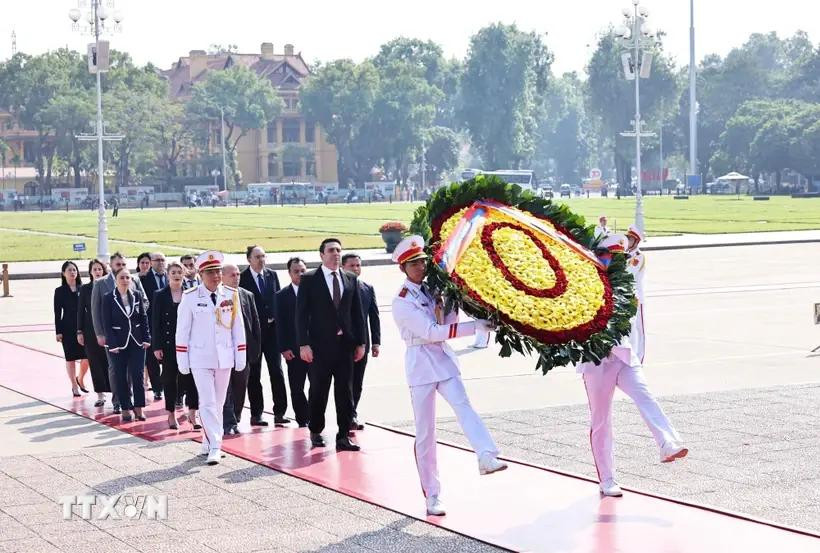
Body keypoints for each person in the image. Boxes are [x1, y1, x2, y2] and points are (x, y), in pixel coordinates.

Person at [391, 235, 507, 516]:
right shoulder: (402, 301)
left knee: (464, 406)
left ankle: (485, 455)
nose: (420, 267)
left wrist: (452, 301)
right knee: (426, 433)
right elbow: (431, 332)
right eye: (413, 264)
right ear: (403, 268)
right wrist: (476, 326)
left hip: (442, 360)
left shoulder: (432, 291)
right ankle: (432, 494)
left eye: (422, 262)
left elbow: (447, 325)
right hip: (420, 363)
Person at [577, 233, 687, 498]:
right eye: (608, 256)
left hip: (624, 355)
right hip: (596, 362)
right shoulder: (584, 282)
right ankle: (607, 479)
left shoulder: (626, 283)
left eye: (617, 257)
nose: (614, 261)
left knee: (644, 395)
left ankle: (667, 443)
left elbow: (636, 317)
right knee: (601, 421)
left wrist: (637, 353)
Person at [175, 251, 246, 465]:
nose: (215, 276)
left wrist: (239, 354)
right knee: (206, 402)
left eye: (217, 271)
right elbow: (182, 331)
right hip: (200, 357)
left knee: (218, 403)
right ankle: (216, 445)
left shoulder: (231, 294)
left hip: (224, 357)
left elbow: (237, 328)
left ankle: (207, 441)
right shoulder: (190, 297)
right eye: (210, 272)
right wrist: (183, 360)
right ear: (200, 274)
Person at [297, 238, 366, 452]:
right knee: (319, 390)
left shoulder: (350, 279)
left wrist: (361, 342)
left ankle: (343, 435)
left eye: (338, 250)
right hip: (319, 347)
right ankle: (316, 430)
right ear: (321, 255)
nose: (335, 254)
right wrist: (303, 344)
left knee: (345, 392)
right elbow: (300, 315)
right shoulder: (309, 279)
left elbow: (357, 314)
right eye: (331, 250)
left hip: (344, 346)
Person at [91, 252, 150, 414]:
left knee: (136, 372)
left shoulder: (134, 280)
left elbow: (144, 301)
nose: (122, 268)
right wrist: (100, 334)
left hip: (135, 336)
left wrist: (133, 314)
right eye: (118, 265)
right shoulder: (101, 283)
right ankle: (119, 401)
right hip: (114, 336)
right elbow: (96, 311)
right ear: (111, 266)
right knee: (116, 369)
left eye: (124, 265)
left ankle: (136, 405)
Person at [239, 245, 286, 426]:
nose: (261, 260)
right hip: (253, 334)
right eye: (257, 256)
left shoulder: (271, 275)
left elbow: (278, 299)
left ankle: (280, 412)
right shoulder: (242, 278)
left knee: (277, 372)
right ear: (249, 259)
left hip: (273, 332)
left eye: (263, 256)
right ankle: (256, 413)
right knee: (254, 374)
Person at [151, 262, 200, 430]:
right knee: (170, 379)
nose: (177, 275)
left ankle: (193, 413)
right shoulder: (160, 295)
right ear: (168, 273)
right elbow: (155, 322)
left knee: (192, 378)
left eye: (180, 272)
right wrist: (156, 346)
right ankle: (171, 413)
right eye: (173, 272)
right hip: (168, 344)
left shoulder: (191, 294)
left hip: (190, 343)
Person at [101, 270, 151, 422]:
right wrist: (112, 344)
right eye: (121, 277)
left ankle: (139, 407)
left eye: (127, 277)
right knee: (120, 376)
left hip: (136, 341)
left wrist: (146, 337)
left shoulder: (136, 295)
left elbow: (143, 317)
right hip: (118, 343)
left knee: (138, 375)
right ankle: (125, 407)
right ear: (115, 280)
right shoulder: (108, 298)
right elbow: (106, 323)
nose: (125, 280)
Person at [341, 253, 381, 431]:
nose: (356, 269)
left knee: (357, 382)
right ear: (343, 267)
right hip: (342, 344)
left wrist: (376, 342)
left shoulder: (367, 288)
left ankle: (352, 414)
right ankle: (345, 416)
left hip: (362, 343)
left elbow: (374, 316)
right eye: (352, 266)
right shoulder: (339, 288)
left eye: (358, 265)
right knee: (344, 382)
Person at [221, 263, 261, 435]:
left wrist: (255, 349)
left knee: (240, 386)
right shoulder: (218, 295)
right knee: (225, 388)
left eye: (238, 274)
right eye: (232, 275)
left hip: (243, 351)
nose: (236, 277)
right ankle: (227, 422)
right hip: (223, 351)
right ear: (222, 277)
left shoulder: (247, 295)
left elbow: (254, 323)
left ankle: (236, 417)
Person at [275, 257, 310, 427]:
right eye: (296, 271)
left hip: (315, 349)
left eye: (303, 270)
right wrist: (284, 347)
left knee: (318, 386)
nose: (300, 274)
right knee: (297, 387)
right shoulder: (281, 296)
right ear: (289, 273)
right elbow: (280, 324)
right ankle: (303, 419)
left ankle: (315, 417)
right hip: (293, 350)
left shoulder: (316, 292)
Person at [77, 259, 111, 407]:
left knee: (110, 363)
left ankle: (115, 392)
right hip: (90, 331)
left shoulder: (109, 286)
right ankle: (100, 394)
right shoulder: (85, 289)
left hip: (109, 330)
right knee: (95, 362)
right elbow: (80, 312)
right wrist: (79, 331)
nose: (97, 272)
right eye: (94, 269)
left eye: (100, 269)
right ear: (90, 272)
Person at [54, 261, 88, 397]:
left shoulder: (83, 288)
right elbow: (57, 312)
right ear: (63, 273)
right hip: (67, 328)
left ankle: (80, 378)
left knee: (87, 357)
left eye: (75, 270)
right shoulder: (60, 291)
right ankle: (74, 385)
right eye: (69, 270)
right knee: (70, 358)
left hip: (83, 327)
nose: (73, 272)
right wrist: (58, 331)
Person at [140, 252, 167, 400]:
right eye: (157, 260)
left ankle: (165, 383)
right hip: (150, 323)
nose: (161, 263)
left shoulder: (172, 276)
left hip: (169, 323)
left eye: (163, 260)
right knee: (152, 359)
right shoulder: (143, 279)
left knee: (169, 359)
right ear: (151, 262)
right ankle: (157, 388)